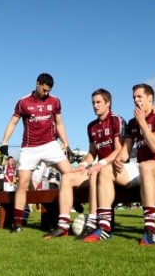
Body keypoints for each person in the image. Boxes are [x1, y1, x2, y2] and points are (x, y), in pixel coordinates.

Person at [45, 88, 125, 241]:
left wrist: (100, 163)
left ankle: (92, 223)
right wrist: (83, 164)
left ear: (108, 103)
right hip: (98, 168)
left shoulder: (117, 120)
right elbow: (92, 153)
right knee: (67, 177)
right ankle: (63, 226)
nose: (95, 105)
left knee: (95, 172)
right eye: (93, 103)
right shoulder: (91, 126)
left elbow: (119, 150)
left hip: (114, 170)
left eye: (98, 102)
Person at [0, 73, 73, 233]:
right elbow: (13, 122)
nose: (46, 93)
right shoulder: (23, 101)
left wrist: (65, 142)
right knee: (23, 184)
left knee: (70, 174)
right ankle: (17, 223)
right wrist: (4, 142)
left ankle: (70, 205)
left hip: (50, 145)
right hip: (29, 148)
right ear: (37, 83)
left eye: (48, 90)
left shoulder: (55, 101)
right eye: (44, 89)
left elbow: (59, 123)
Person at [113, 84, 155, 246]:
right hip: (141, 167)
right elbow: (126, 152)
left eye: (139, 97)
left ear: (150, 98)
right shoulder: (133, 123)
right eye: (134, 97)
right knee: (106, 171)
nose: (136, 100)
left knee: (146, 166)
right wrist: (118, 160)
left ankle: (150, 229)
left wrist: (142, 123)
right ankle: (103, 227)